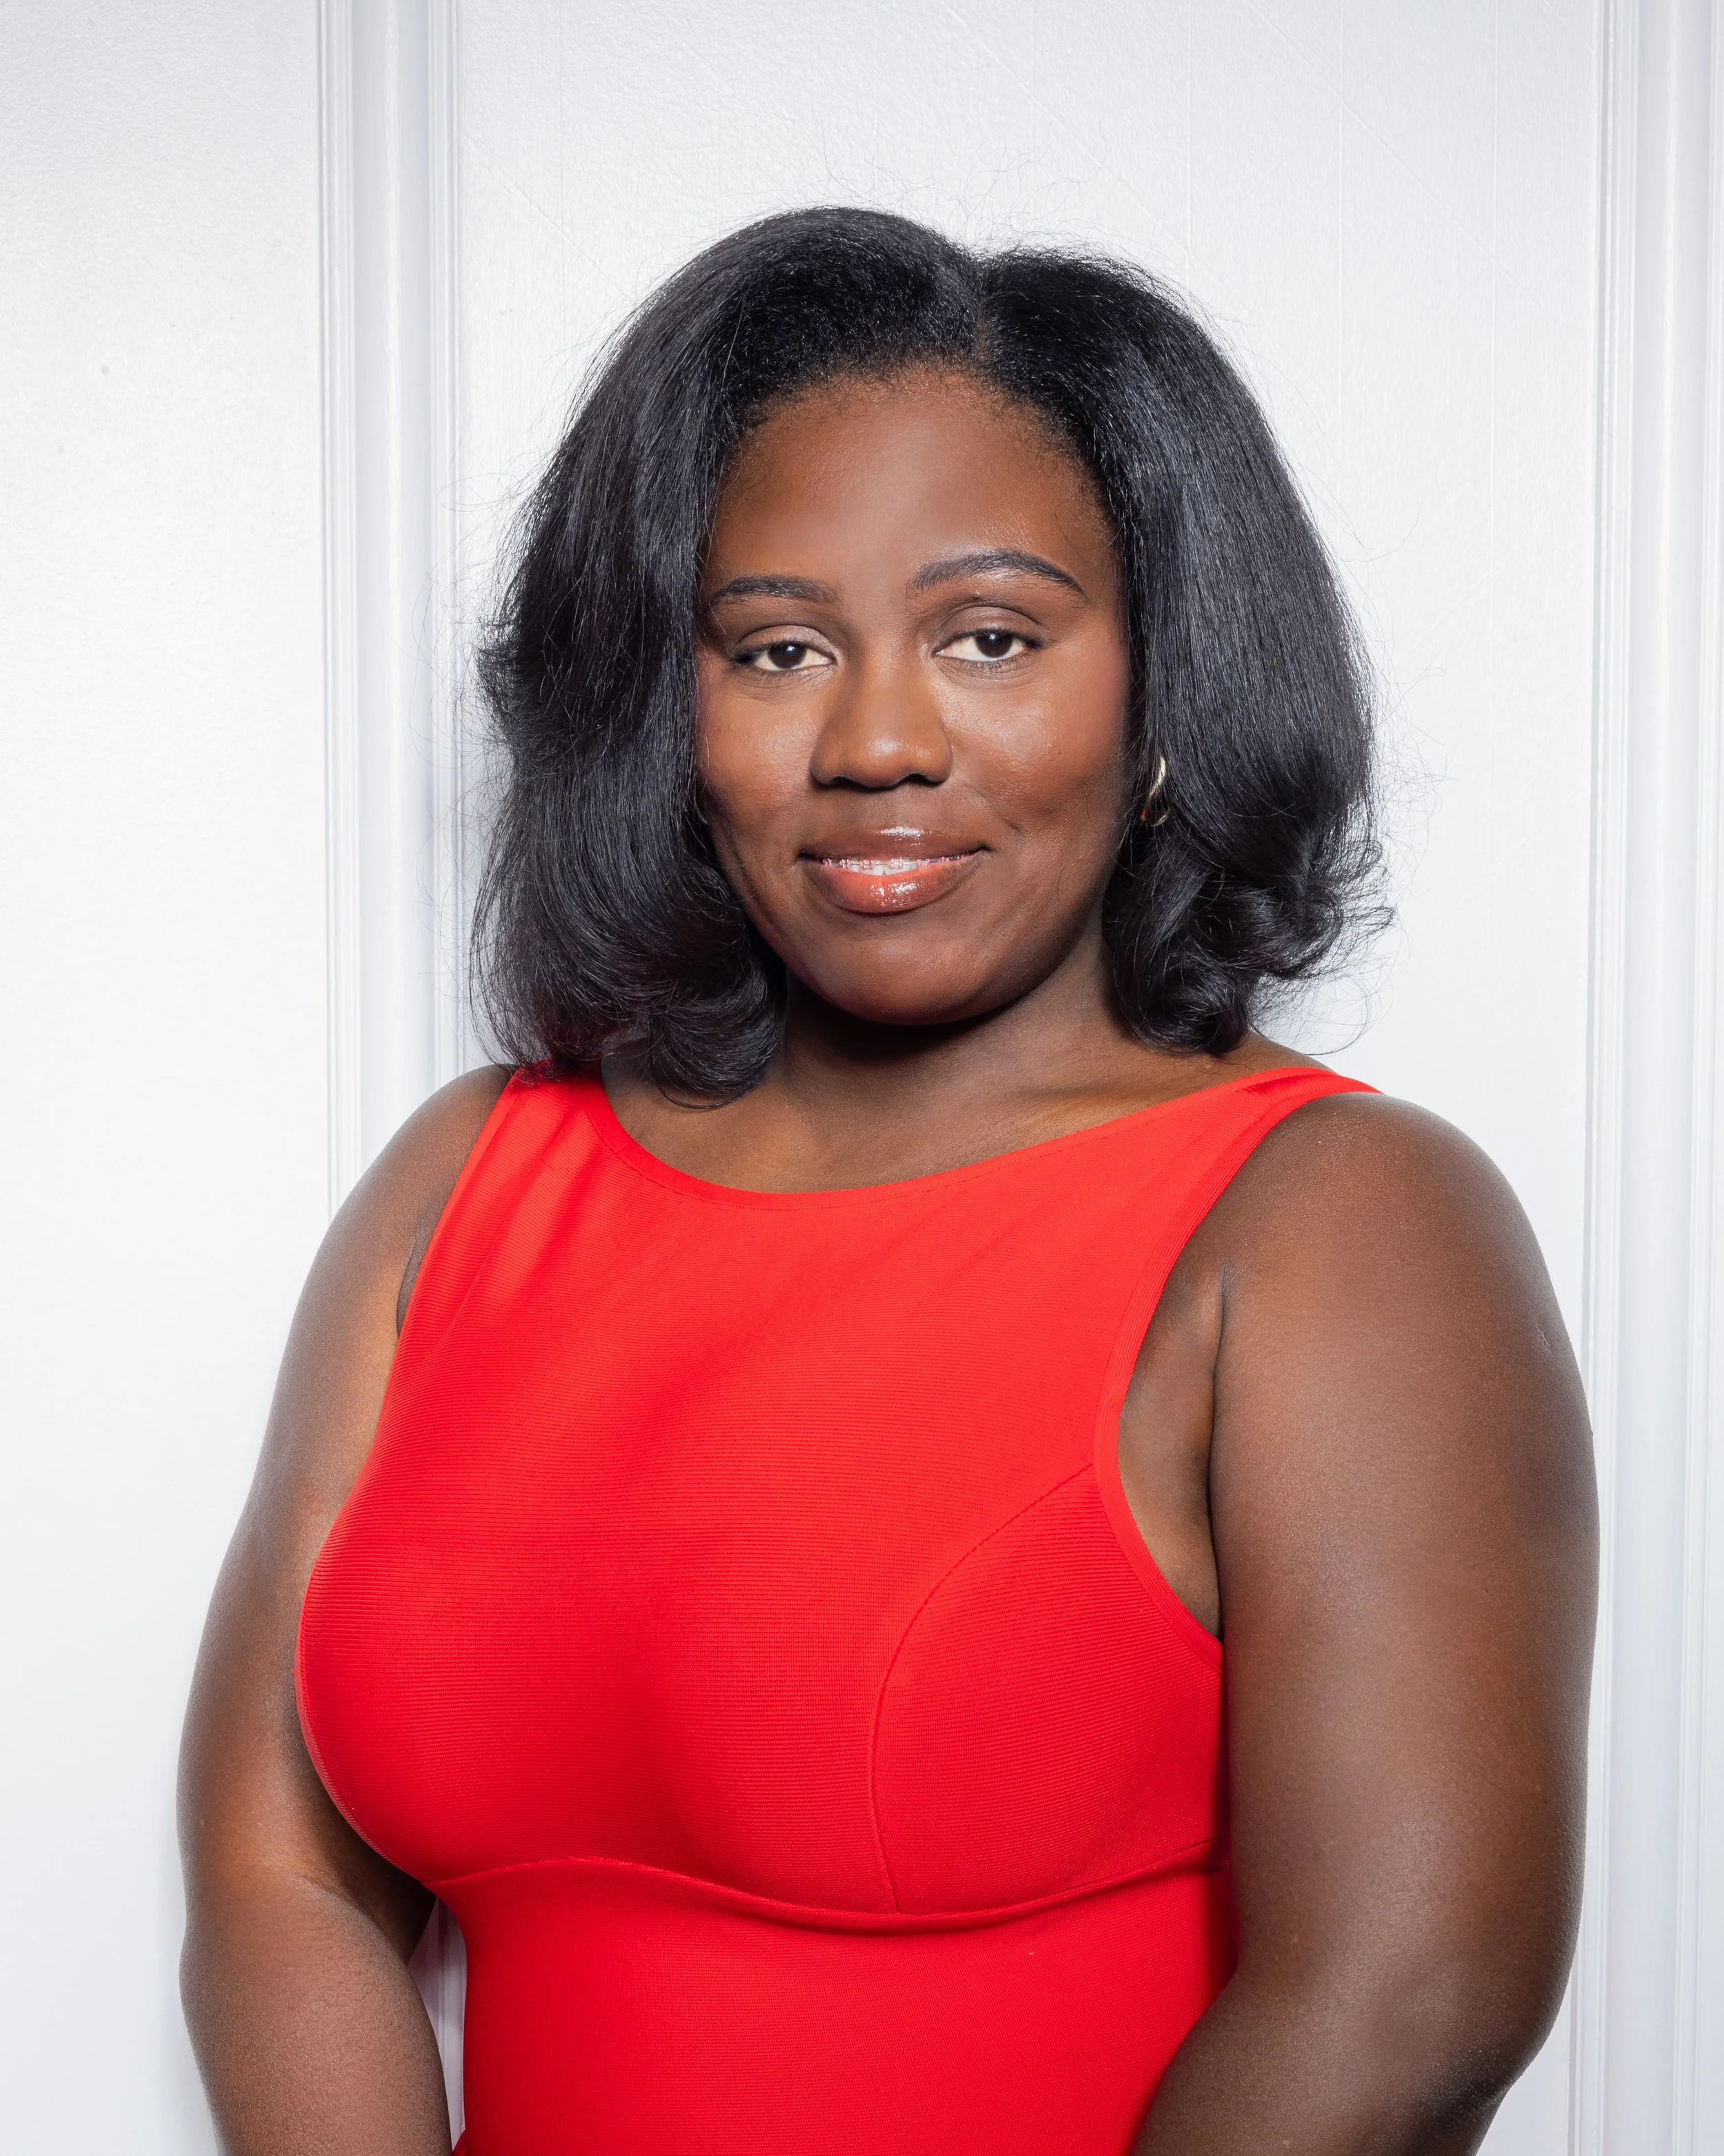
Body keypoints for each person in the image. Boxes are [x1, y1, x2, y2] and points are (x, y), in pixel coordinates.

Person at [178, 208, 1596, 2155]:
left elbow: (1407, 1999)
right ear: (671, 716)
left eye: (991, 636)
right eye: (774, 650)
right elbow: (279, 1880)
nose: (874, 741)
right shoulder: (471, 1180)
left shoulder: (1333, 1220)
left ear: (1164, 689)